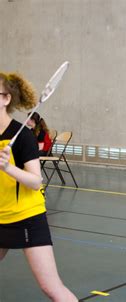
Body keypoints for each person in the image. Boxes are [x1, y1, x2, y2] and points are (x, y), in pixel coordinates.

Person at [0, 72, 77, 301]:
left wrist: (8, 168)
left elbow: (36, 181)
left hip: (26, 217)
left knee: (51, 287)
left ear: (6, 99)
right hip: (0, 215)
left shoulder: (22, 136)